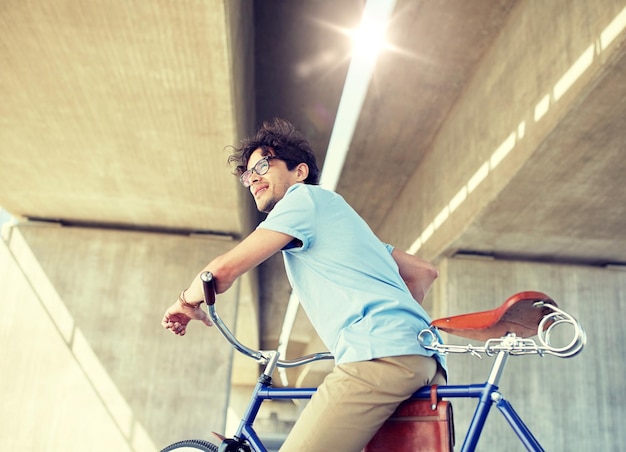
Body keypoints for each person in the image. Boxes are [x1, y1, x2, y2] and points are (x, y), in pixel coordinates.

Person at [161, 118, 447, 452]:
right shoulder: (347, 227)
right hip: (425, 360)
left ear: (299, 172)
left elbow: (222, 271)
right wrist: (399, 328)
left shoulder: (302, 200)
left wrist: (185, 301)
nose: (253, 177)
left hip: (380, 359)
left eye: (264, 165)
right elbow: (423, 272)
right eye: (248, 174)